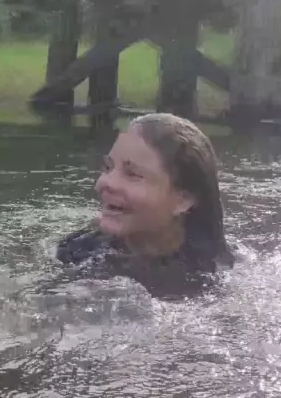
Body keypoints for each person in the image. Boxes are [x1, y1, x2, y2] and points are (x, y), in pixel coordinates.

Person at [56, 113, 234, 298]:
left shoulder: (212, 278)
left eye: (132, 174)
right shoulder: (77, 250)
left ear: (183, 199)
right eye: (108, 167)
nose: (104, 183)